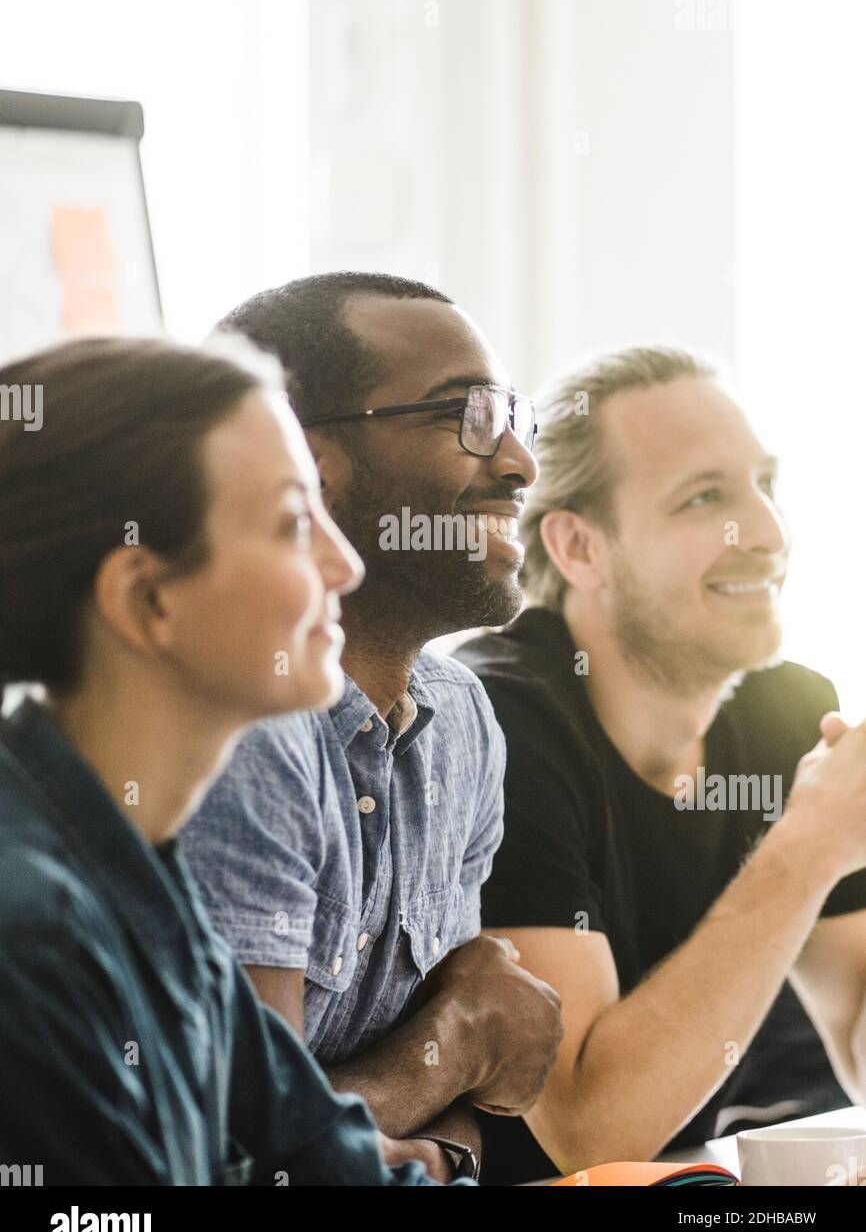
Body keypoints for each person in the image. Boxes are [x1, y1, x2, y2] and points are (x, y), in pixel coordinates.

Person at [0, 333, 475, 1185]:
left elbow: (323, 1163)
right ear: (149, 599)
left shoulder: (138, 875)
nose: (346, 562)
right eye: (296, 522)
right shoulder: (33, 930)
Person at [180, 273, 562, 1177]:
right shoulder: (249, 721)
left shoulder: (464, 719)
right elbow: (239, 1155)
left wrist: (418, 1112)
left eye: (513, 415)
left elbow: (469, 1129)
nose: (517, 462)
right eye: (463, 415)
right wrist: (456, 1040)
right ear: (307, 467)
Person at [456, 345, 866, 1185]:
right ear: (578, 547)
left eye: (765, 485)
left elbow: (856, 1027)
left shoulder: (785, 706)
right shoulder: (496, 723)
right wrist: (808, 847)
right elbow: (591, 1129)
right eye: (706, 498)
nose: (768, 534)